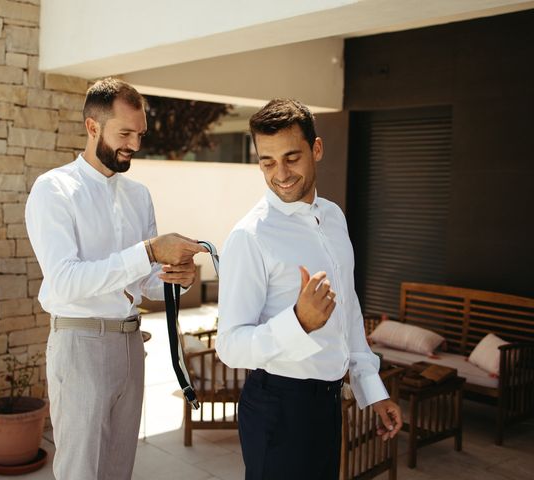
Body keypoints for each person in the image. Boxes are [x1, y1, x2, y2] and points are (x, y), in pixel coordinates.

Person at [25, 78, 207, 480]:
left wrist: (181, 279)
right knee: (80, 471)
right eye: (124, 133)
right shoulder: (53, 190)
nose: (135, 145)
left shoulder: (139, 195)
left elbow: (146, 285)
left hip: (130, 343)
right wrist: (147, 251)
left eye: (139, 134)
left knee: (118, 469)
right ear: (92, 127)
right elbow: (65, 281)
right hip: (79, 344)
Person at [216, 99, 402, 479]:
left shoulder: (333, 217)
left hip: (327, 404)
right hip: (277, 409)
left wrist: (373, 387)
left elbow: (348, 311)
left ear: (316, 149)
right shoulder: (249, 236)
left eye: (291, 157)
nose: (280, 173)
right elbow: (230, 346)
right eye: (267, 162)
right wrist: (298, 321)